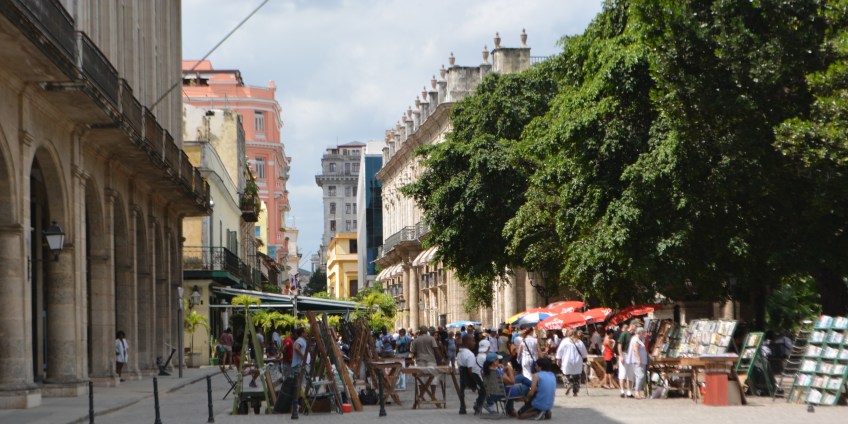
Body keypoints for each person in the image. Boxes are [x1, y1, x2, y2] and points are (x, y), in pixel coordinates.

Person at [482, 352, 527, 416]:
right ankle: (528, 408)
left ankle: (511, 410)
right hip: (504, 392)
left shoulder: (486, 370)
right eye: (497, 360)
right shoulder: (498, 372)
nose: (499, 361)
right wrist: (510, 369)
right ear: (494, 362)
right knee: (526, 388)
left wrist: (503, 368)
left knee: (521, 378)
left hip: (494, 392)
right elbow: (512, 382)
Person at [457, 334, 485, 415]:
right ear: (467, 342)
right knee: (483, 389)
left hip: (463, 375)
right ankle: (478, 404)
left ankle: (462, 407)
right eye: (473, 341)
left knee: (462, 390)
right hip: (469, 378)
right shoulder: (469, 354)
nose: (475, 343)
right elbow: (471, 370)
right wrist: (476, 381)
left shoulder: (460, 353)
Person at [556, 329, 588, 396]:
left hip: (567, 360)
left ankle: (568, 384)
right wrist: (585, 358)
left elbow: (559, 351)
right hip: (577, 361)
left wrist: (558, 359)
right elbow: (584, 353)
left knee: (565, 374)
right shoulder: (580, 342)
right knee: (576, 377)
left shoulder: (565, 341)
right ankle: (575, 392)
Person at [627, 327, 648, 399]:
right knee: (640, 375)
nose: (644, 334)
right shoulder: (636, 339)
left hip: (640, 360)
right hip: (637, 361)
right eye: (643, 333)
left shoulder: (638, 339)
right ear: (640, 333)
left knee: (638, 376)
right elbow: (635, 349)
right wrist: (639, 359)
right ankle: (636, 391)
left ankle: (638, 392)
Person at [617, 324, 634, 398]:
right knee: (623, 373)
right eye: (635, 326)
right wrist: (621, 356)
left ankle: (629, 392)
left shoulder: (634, 335)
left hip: (631, 355)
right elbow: (619, 345)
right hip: (624, 354)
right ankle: (622, 391)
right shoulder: (624, 333)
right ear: (632, 326)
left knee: (630, 374)